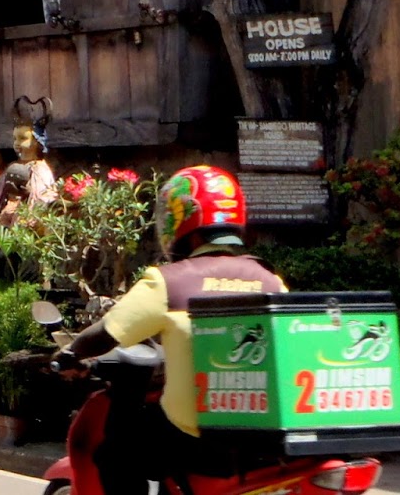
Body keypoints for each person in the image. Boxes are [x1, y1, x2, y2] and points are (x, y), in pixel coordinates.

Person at [56, 165, 286, 494]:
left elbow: (108, 332)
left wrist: (69, 353)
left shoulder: (170, 280)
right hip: (259, 436)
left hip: (192, 436)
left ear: (183, 226)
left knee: (114, 451)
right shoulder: (270, 279)